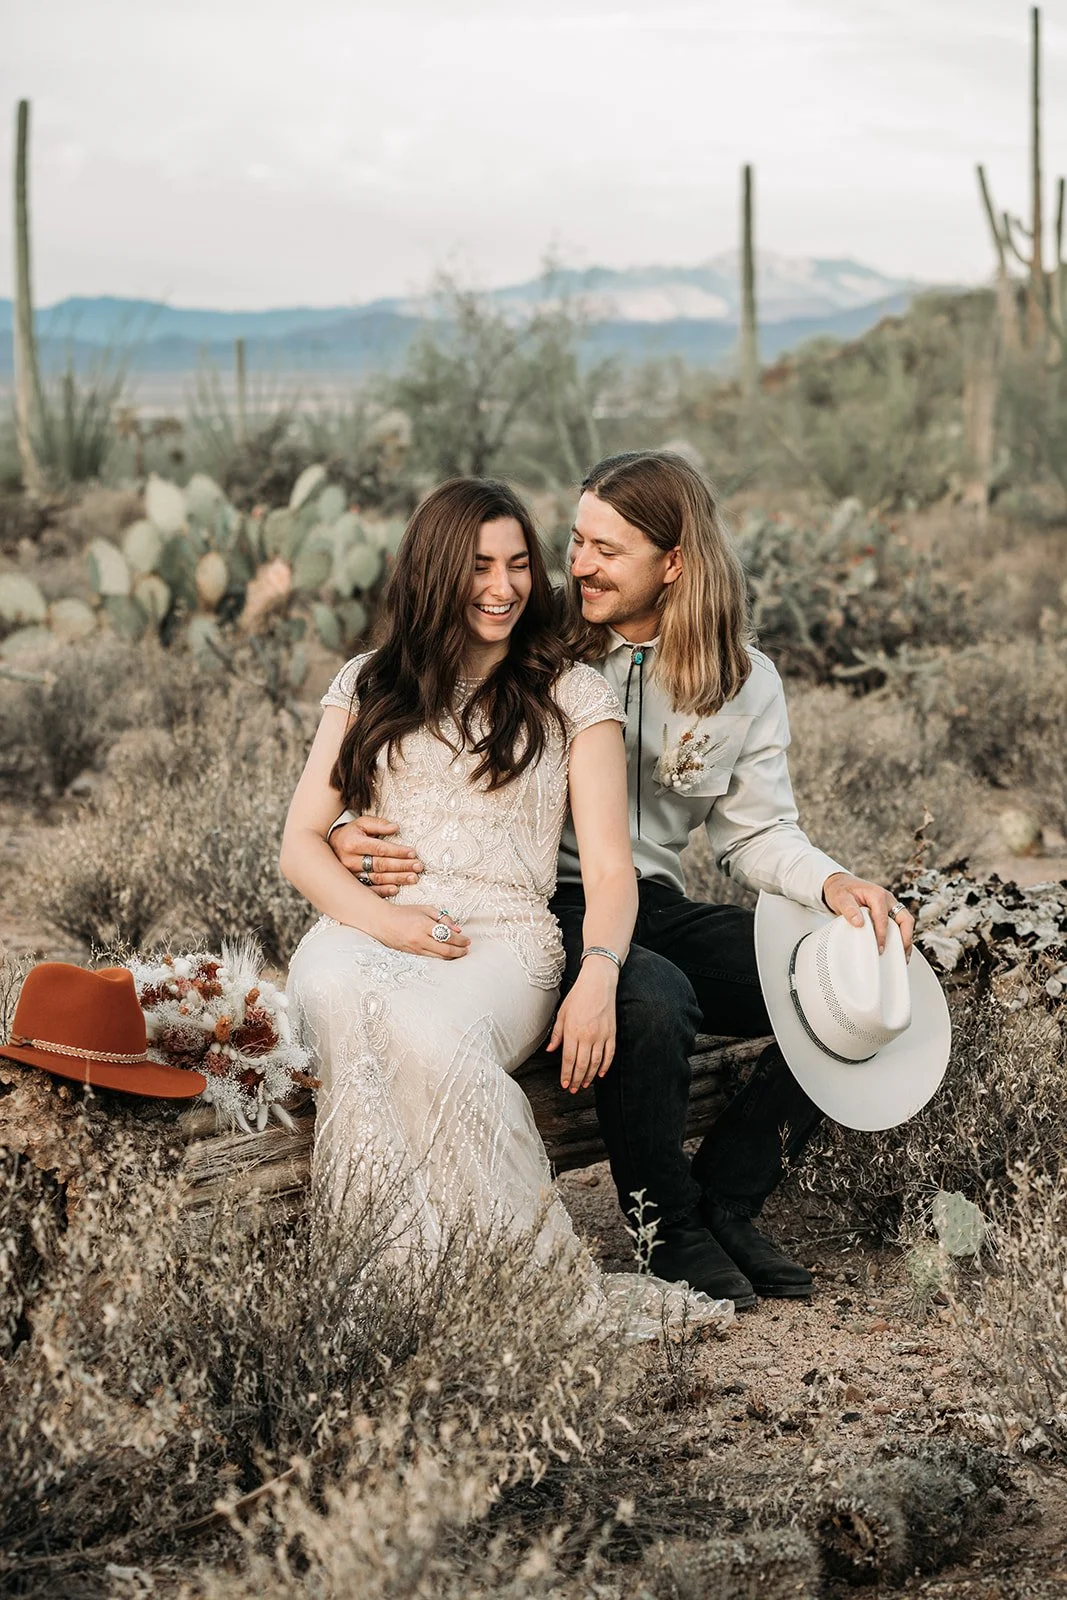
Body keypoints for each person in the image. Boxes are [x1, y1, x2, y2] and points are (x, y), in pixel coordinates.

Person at [328, 452, 916, 1310]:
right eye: (574, 541)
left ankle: (729, 1196)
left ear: (672, 562)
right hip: (535, 903)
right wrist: (345, 828)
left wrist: (832, 887)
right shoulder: (540, 639)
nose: (577, 565)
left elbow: (754, 833)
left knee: (847, 979)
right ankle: (662, 1226)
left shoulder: (743, 681)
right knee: (652, 996)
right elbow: (418, 727)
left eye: (606, 549)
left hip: (653, 899)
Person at [280, 475, 728, 1334]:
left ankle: (497, 1288)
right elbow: (300, 842)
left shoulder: (570, 695)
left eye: (519, 564)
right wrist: (385, 921)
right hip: (372, 925)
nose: (502, 587)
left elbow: (607, 870)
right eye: (479, 566)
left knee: (429, 1032)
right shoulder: (367, 681)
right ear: (433, 572)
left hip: (504, 941)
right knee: (338, 990)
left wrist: (598, 973)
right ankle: (389, 1273)